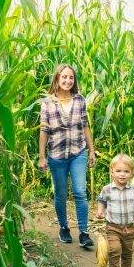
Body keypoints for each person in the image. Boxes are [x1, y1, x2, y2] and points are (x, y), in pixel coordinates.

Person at [39, 64, 96, 247]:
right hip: (56, 155)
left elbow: (85, 126)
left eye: (71, 77)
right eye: (64, 77)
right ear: (57, 78)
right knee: (61, 195)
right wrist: (42, 156)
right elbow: (44, 131)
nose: (67, 81)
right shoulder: (47, 103)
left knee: (80, 191)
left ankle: (84, 232)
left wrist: (91, 150)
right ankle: (64, 227)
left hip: (78, 152)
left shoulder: (80, 100)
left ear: (74, 80)